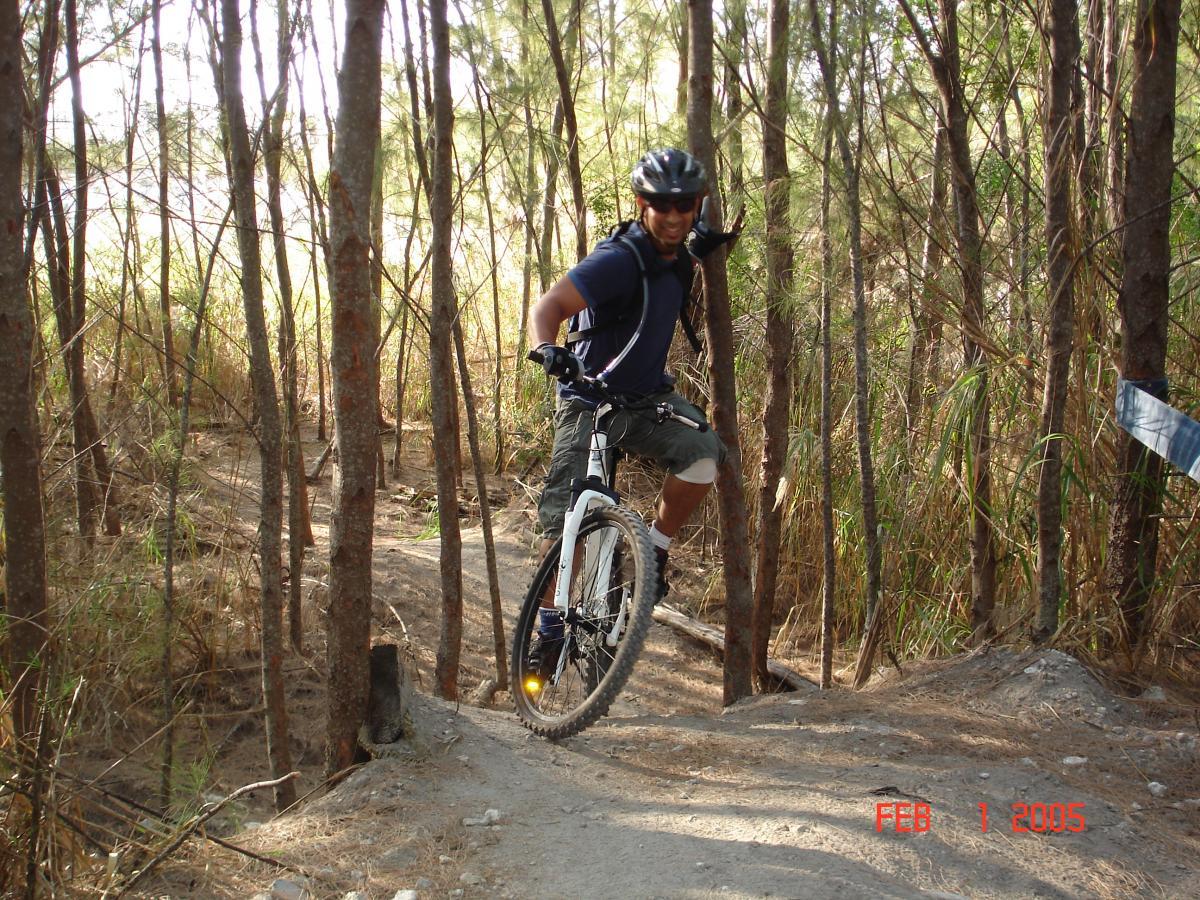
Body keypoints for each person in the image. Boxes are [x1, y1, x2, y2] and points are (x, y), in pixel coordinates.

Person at [526, 147, 737, 671]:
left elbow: (682, 248)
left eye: (684, 204)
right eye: (660, 204)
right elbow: (547, 307)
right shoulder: (618, 260)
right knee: (569, 518)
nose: (672, 215)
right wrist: (548, 347)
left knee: (704, 455)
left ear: (695, 205)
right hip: (589, 398)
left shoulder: (678, 258)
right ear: (641, 203)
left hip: (644, 399)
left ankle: (654, 554)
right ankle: (551, 626)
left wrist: (704, 246)